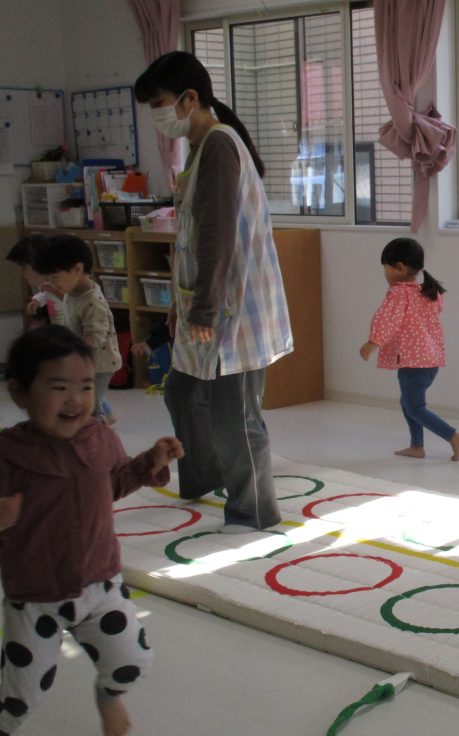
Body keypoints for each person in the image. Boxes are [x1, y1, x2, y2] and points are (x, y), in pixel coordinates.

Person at [0, 325, 183, 736]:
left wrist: (151, 461)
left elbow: (116, 481)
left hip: (101, 583)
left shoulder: (99, 437)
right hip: (36, 597)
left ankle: (108, 697)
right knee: (22, 692)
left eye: (85, 386)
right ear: (20, 393)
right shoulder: (8, 454)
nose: (76, 400)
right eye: (58, 387)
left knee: (132, 660)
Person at [135, 51, 293, 531]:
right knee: (182, 392)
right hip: (207, 303)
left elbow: (217, 237)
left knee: (235, 416)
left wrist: (202, 309)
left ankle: (254, 512)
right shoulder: (201, 147)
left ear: (189, 99)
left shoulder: (220, 146)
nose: (158, 116)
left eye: (160, 104)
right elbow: (189, 238)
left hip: (232, 308)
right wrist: (181, 305)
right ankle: (205, 478)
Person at [360, 238, 459, 461]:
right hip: (428, 361)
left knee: (414, 407)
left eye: (386, 268)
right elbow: (433, 312)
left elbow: (387, 319)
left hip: (414, 362)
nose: (385, 273)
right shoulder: (427, 290)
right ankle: (417, 446)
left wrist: (373, 343)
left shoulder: (400, 293)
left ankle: (452, 436)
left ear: (399, 267)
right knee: (409, 403)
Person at [31, 234, 121, 423]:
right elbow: (70, 306)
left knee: (92, 407)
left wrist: (65, 350)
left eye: (55, 277)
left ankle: (98, 435)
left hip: (99, 365)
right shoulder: (73, 290)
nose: (51, 281)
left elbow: (94, 338)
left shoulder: (93, 303)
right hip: (85, 361)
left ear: (77, 269)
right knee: (83, 403)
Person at [6, 234, 65, 327]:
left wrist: (55, 291)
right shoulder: (45, 283)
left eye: (25, 268)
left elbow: (74, 301)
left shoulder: (63, 280)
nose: (22, 273)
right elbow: (45, 293)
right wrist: (36, 300)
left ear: (40, 263)